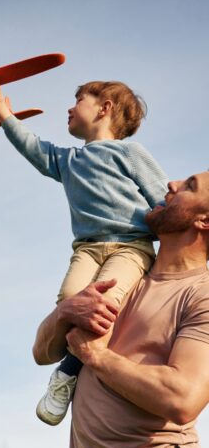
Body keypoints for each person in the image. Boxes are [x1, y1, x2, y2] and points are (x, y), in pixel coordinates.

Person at [0, 80, 168, 425]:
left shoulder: (130, 154)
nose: (70, 108)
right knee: (70, 300)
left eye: (79, 100)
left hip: (130, 246)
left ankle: (67, 373)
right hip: (87, 249)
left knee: (105, 304)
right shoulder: (67, 160)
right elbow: (32, 147)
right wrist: (3, 112)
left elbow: (162, 200)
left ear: (105, 107)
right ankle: (67, 359)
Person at [33, 171, 209, 447]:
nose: (172, 184)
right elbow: (41, 353)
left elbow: (183, 398)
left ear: (205, 220)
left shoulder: (202, 295)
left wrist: (96, 356)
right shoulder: (122, 273)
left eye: (190, 186)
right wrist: (65, 311)